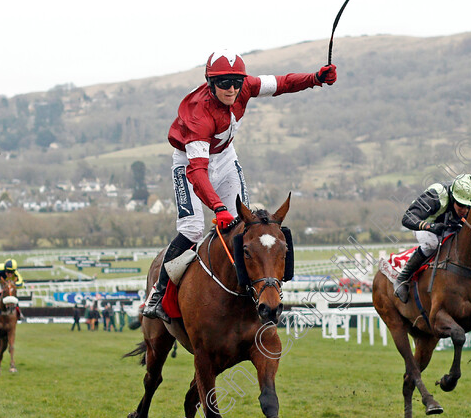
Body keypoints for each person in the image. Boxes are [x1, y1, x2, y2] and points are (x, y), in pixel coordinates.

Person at [142, 49, 337, 321]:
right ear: (210, 83)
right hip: (191, 162)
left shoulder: (245, 87)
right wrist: (218, 207)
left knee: (241, 226)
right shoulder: (199, 115)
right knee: (193, 229)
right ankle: (158, 292)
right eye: (224, 83)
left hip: (224, 157)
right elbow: (198, 173)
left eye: (236, 81)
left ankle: (250, 294)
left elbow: (282, 83)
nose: (232, 88)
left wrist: (315, 78)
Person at [394, 173, 471, 303]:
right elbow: (407, 218)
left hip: (448, 224)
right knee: (432, 243)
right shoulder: (436, 195)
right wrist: (430, 226)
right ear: (452, 196)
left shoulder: (470, 200)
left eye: (468, 206)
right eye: (461, 205)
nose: (465, 210)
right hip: (424, 223)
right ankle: (402, 278)